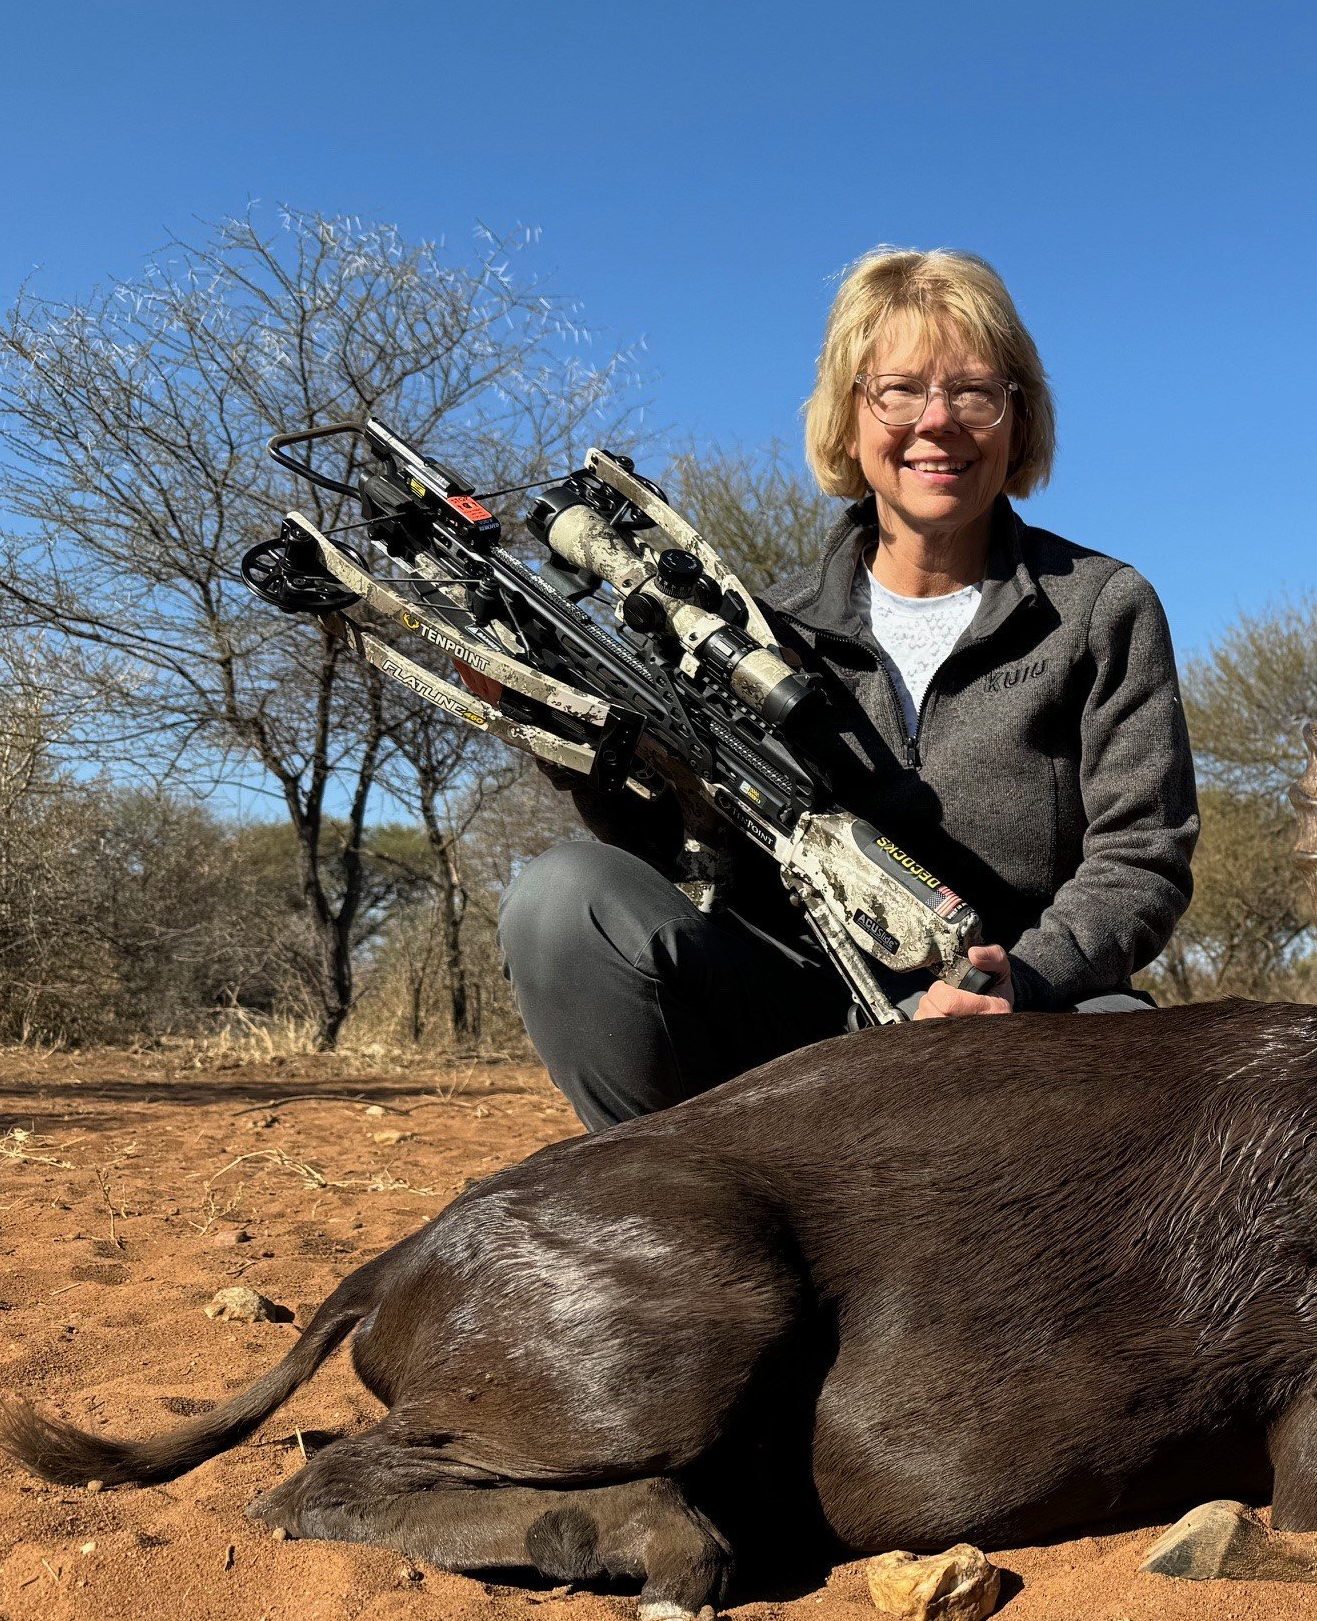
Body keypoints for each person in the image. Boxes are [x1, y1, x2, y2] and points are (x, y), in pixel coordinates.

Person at [498, 248, 1198, 1129]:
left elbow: (1142, 858)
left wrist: (1019, 977)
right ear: (849, 415)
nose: (936, 423)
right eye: (898, 390)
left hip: (1024, 1023)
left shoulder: (1101, 607)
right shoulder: (759, 632)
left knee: (1140, 1069)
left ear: (1018, 419)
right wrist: (560, 736)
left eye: (975, 392)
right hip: (807, 1029)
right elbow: (685, 848)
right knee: (563, 903)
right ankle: (685, 1236)